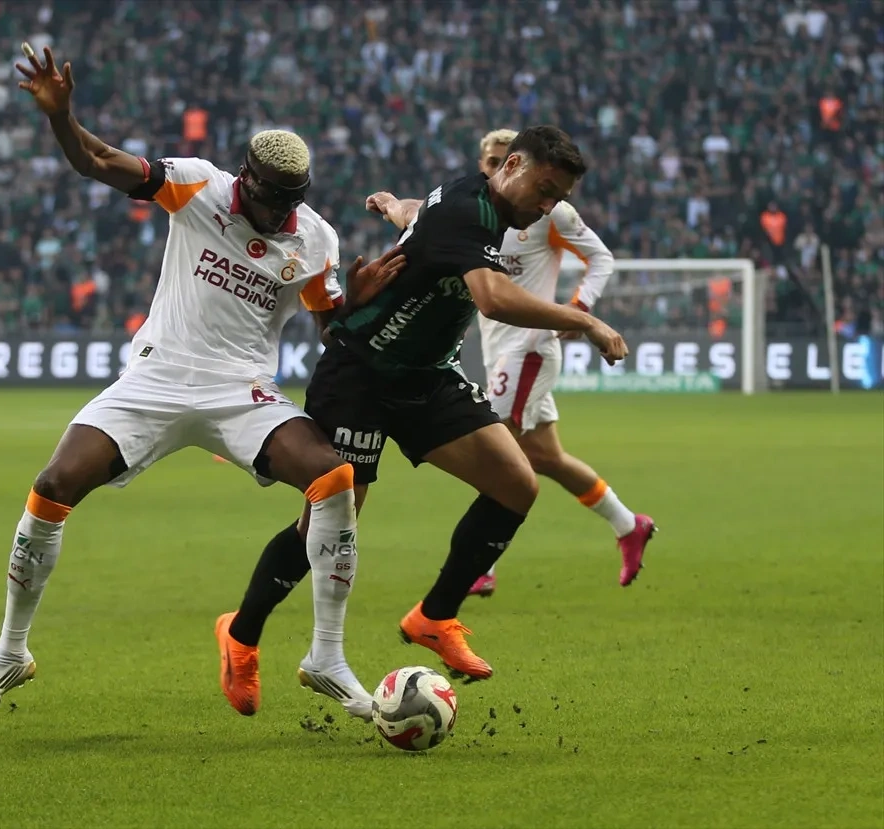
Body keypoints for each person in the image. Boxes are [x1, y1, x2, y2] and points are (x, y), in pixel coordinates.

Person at [0, 44, 405, 721]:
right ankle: (11, 650)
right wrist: (60, 116)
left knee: (334, 478)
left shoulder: (315, 240)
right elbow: (97, 161)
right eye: (264, 197)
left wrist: (356, 304)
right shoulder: (198, 185)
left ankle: (327, 656)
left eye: (286, 203)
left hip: (241, 388)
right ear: (246, 177)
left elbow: (329, 330)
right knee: (53, 485)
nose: (272, 213)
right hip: (159, 373)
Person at [221, 126, 629, 692]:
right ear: (512, 166)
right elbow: (492, 298)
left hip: (427, 376)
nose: (547, 206)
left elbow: (420, 214)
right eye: (545, 190)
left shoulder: (480, 205)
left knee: (516, 484)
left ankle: (434, 618)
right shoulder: (469, 212)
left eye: (558, 198)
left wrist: (397, 208)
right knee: (331, 522)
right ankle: (241, 633)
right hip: (362, 374)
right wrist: (585, 319)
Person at [471, 129, 656, 597]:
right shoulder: (474, 212)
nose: (496, 167)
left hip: (528, 348)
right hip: (499, 348)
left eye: (504, 159)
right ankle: (629, 524)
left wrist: (581, 308)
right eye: (489, 161)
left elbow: (601, 258)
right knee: (545, 458)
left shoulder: (547, 214)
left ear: (519, 164)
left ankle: (479, 564)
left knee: (495, 453)